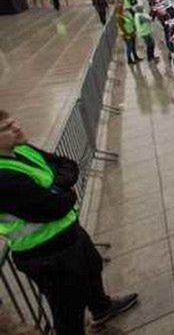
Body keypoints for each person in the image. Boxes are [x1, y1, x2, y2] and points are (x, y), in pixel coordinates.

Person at [0, 111, 138, 334]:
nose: (16, 127)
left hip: (69, 234)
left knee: (92, 268)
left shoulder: (21, 148)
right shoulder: (3, 177)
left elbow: (67, 164)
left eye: (13, 121)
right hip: (46, 254)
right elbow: (53, 207)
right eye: (6, 128)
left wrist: (57, 186)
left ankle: (102, 308)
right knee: (68, 309)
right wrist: (65, 192)